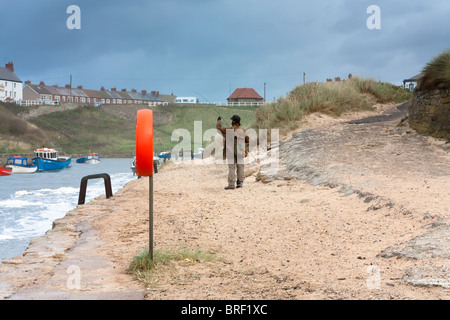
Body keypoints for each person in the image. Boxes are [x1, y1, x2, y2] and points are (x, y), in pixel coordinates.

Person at [216, 115, 248, 190]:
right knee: (240, 166)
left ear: (233, 121)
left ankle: (231, 184)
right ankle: (240, 183)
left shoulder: (228, 129)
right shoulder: (242, 130)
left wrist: (219, 121)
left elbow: (219, 128)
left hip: (230, 151)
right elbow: (247, 139)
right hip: (240, 150)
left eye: (232, 120)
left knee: (231, 167)